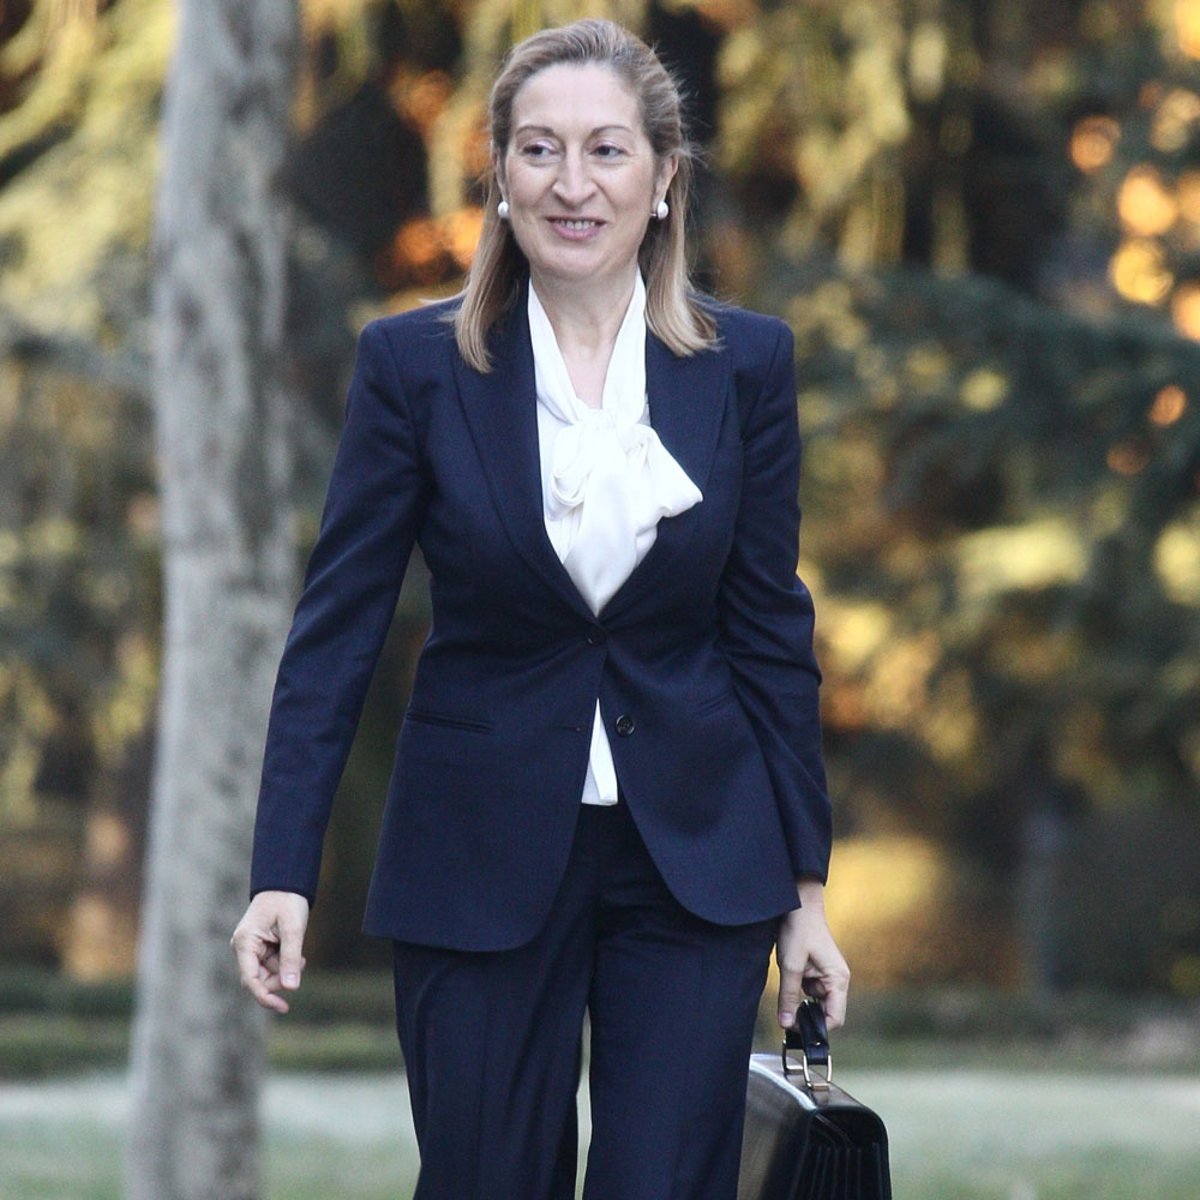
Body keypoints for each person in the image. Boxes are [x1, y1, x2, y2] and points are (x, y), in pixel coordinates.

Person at [232, 18, 849, 1200]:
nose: (574, 183)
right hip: (474, 853)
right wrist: (282, 870)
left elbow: (771, 634)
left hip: (697, 864)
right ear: (500, 178)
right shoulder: (413, 367)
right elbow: (335, 631)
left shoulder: (748, 366)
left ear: (663, 179)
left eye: (607, 150)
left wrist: (807, 894)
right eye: (539, 149)